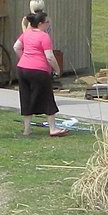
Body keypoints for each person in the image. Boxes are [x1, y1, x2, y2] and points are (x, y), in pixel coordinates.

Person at [14, 8, 67, 137]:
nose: (48, 24)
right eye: (47, 22)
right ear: (40, 24)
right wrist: (57, 69)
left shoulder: (26, 33)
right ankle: (53, 128)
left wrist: (23, 58)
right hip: (39, 70)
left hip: (22, 69)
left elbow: (16, 47)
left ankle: (26, 130)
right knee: (47, 98)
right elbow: (49, 56)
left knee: (26, 97)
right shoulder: (44, 36)